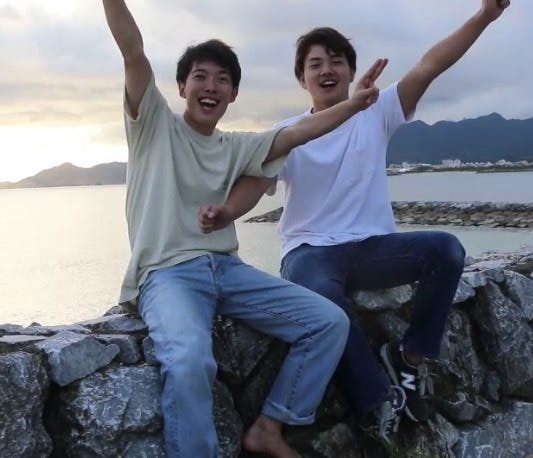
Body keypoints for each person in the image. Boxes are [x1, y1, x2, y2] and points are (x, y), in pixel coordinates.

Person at [198, 0, 510, 444]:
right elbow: (254, 183)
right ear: (302, 78)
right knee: (328, 304)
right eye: (315, 64)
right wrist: (227, 212)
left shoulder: (375, 111)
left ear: (350, 72)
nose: (327, 70)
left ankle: (409, 358)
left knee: (446, 249)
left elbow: (430, 66)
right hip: (308, 252)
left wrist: (483, 17)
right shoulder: (289, 132)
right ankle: (378, 402)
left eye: (336, 61)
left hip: (371, 248)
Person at [101, 1, 388, 456]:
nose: (211, 87)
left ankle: (271, 426)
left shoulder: (237, 146)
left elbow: (297, 134)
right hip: (167, 274)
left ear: (233, 94)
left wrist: (353, 105)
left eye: (222, 79)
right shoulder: (153, 126)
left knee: (328, 322)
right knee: (189, 359)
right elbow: (133, 52)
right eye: (200, 76)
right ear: (181, 87)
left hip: (228, 271)